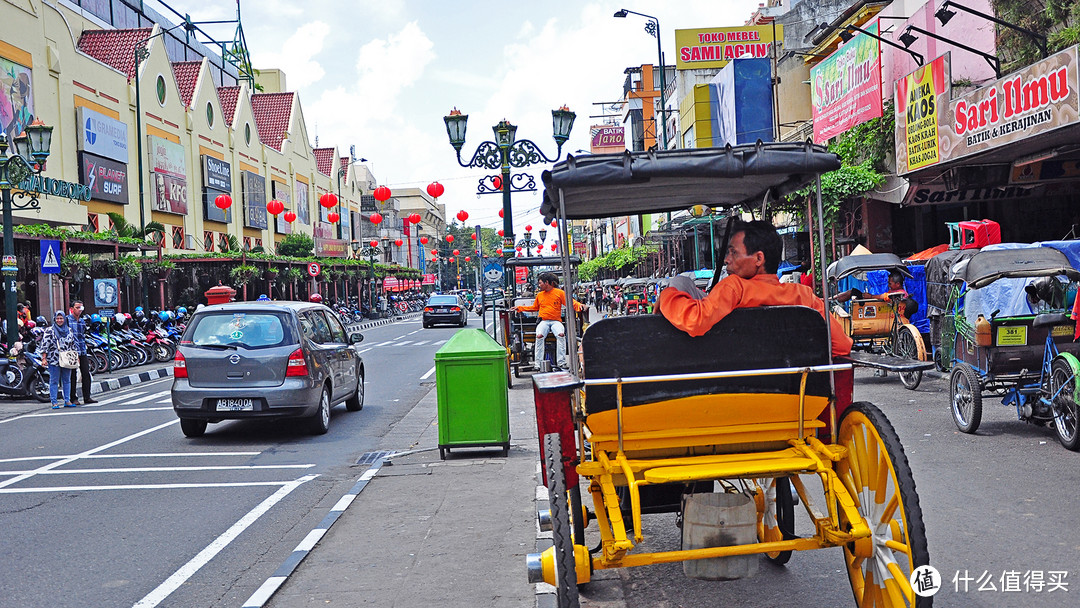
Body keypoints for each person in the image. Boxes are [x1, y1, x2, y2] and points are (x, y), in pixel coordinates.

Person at [658, 220, 852, 357]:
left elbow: (695, 320)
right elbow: (842, 346)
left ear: (758, 259)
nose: (727, 259)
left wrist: (668, 295)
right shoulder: (803, 295)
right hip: (796, 392)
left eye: (733, 253)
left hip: (732, 384)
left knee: (680, 282)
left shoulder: (735, 288)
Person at [515, 271, 583, 370]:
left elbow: (571, 302)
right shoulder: (540, 295)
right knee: (539, 336)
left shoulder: (559, 293)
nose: (539, 285)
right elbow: (534, 307)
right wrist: (520, 308)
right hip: (544, 321)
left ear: (546, 282)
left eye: (540, 283)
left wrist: (579, 306)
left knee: (561, 335)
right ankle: (537, 364)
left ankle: (561, 362)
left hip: (556, 321)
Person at [835, 269, 917, 322]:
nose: (888, 285)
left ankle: (832, 299)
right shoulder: (896, 292)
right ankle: (833, 299)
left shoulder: (899, 294)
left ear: (898, 284)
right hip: (881, 312)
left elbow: (885, 296)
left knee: (854, 293)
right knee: (854, 292)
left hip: (881, 316)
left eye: (890, 283)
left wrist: (871, 297)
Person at [40, 310, 76, 409]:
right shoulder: (49, 330)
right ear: (54, 319)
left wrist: (75, 357)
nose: (59, 320)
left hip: (67, 358)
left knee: (67, 380)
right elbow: (45, 345)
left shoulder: (69, 330)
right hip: (53, 359)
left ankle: (67, 400)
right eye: (57, 318)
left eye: (61, 318)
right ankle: (54, 402)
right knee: (54, 380)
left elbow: (73, 344)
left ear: (65, 319)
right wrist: (44, 358)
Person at [66, 299, 97, 405]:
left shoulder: (82, 321)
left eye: (81, 308)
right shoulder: (67, 320)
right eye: (77, 308)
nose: (79, 310)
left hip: (82, 350)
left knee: (86, 373)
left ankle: (87, 397)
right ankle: (73, 398)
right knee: (73, 375)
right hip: (72, 351)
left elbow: (83, 335)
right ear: (72, 309)